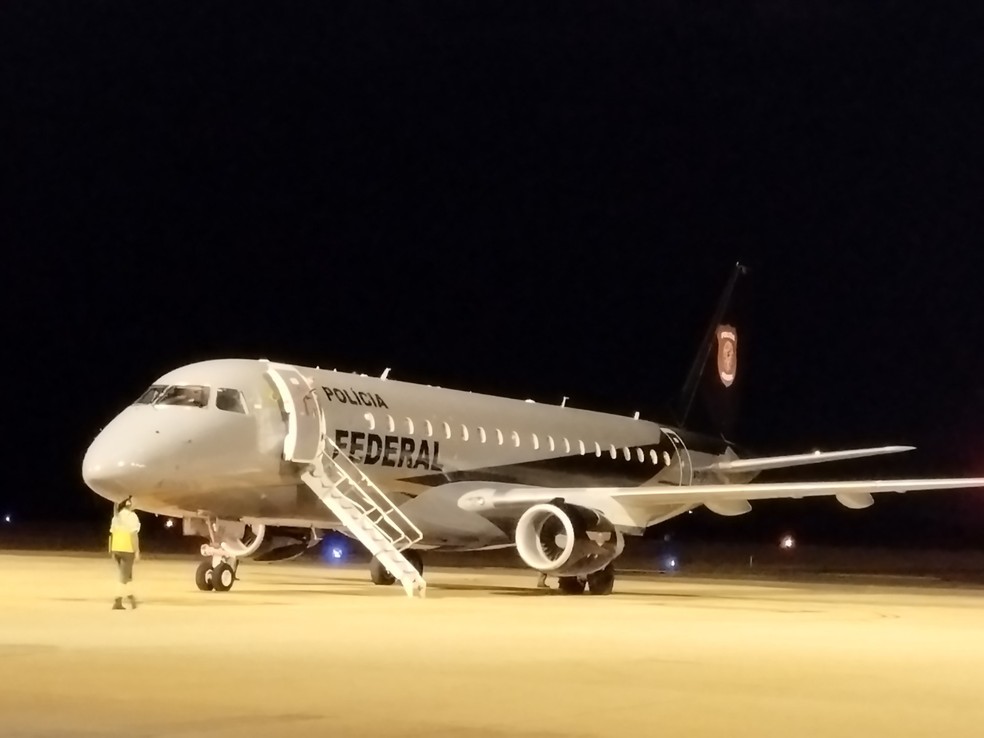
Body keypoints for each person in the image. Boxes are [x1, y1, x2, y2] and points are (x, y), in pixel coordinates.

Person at [108, 496, 141, 610]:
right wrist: (137, 551)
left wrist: (111, 551)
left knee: (127, 576)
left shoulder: (116, 517)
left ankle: (131, 597)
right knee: (123, 577)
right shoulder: (132, 517)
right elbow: (133, 535)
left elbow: (111, 534)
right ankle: (117, 600)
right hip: (127, 549)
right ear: (129, 504)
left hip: (116, 548)